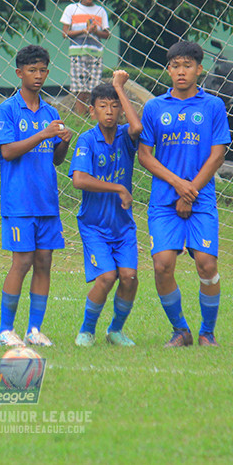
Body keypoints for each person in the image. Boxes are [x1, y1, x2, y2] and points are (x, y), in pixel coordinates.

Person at [138, 41, 231, 347]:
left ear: (199, 69)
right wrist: (178, 186)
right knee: (162, 263)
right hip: (165, 200)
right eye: (175, 65)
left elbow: (217, 155)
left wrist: (190, 192)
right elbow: (145, 156)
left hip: (201, 198)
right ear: (168, 69)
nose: (181, 71)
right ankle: (181, 331)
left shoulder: (213, 106)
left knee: (206, 263)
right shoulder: (155, 108)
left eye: (187, 66)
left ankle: (208, 332)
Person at [0, 45, 73, 347]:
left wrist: (64, 140)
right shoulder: (8, 109)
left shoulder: (52, 112)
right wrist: (43, 134)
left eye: (42, 70)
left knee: (43, 262)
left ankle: (34, 330)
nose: (38, 76)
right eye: (32, 70)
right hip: (19, 202)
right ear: (19, 73)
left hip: (46, 202)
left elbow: (56, 160)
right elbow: (9, 152)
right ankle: (4, 329)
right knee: (22, 262)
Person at [69, 70, 143, 347]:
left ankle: (115, 331)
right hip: (94, 225)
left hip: (122, 225)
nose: (109, 111)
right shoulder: (87, 140)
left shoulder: (126, 136)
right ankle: (86, 331)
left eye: (115, 105)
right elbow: (79, 180)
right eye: (103, 106)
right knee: (107, 277)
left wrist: (119, 89)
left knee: (129, 276)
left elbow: (137, 128)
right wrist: (119, 188)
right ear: (92, 111)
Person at [61, 0, 111, 115]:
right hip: (78, 53)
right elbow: (65, 33)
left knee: (94, 88)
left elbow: (107, 34)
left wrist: (96, 32)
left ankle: (93, 118)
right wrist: (83, 31)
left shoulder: (100, 11)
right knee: (80, 89)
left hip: (95, 53)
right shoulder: (71, 9)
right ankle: (80, 117)